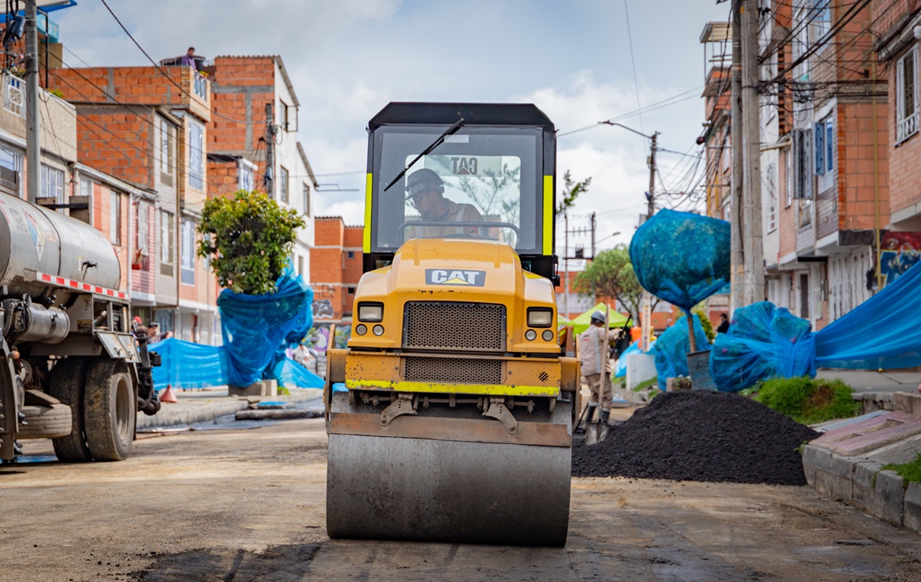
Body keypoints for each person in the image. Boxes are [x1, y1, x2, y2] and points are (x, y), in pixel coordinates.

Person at [404, 169, 484, 239]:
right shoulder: (416, 228)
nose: (416, 206)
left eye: (418, 200)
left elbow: (480, 248)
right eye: (414, 202)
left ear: (433, 193)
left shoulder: (468, 214)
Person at [579, 310, 613, 427]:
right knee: (607, 397)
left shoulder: (584, 334)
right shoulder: (598, 331)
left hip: (587, 371)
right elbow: (611, 335)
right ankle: (603, 425)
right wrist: (619, 331)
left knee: (594, 395)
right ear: (599, 322)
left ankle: (587, 423)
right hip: (598, 371)